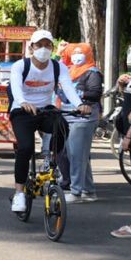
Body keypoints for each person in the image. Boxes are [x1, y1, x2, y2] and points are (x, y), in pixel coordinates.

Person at [9, 30, 90, 213]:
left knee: (62, 126)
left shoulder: (57, 66)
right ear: (32, 47)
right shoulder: (21, 66)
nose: (43, 49)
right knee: (25, 148)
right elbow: (15, 88)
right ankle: (19, 193)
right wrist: (23, 102)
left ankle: (50, 160)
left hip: (45, 110)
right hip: (22, 111)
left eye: (47, 45)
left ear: (52, 48)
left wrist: (79, 104)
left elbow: (68, 87)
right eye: (39, 45)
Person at [55, 43, 102, 203]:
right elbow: (54, 70)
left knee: (76, 155)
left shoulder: (92, 72)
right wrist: (60, 54)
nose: (76, 56)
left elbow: (95, 93)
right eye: (73, 53)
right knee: (79, 155)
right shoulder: (67, 69)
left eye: (80, 53)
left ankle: (76, 192)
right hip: (68, 116)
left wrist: (76, 94)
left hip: (84, 118)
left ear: (88, 54)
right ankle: (89, 191)